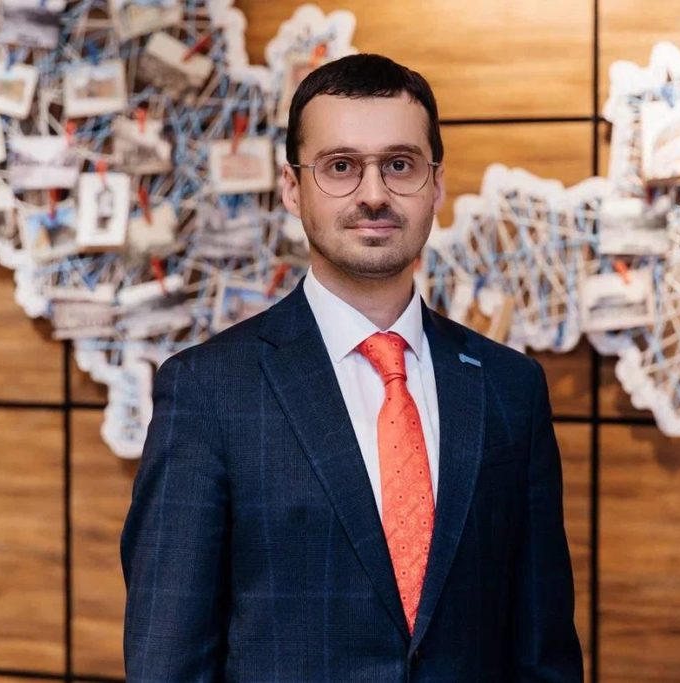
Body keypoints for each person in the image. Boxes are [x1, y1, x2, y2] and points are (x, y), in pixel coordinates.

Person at [120, 53, 582, 681]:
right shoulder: (208, 392)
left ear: (436, 185)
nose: (374, 194)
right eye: (340, 166)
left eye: (400, 165)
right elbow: (167, 659)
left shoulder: (509, 387)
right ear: (292, 187)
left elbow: (544, 651)